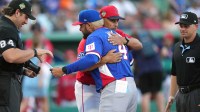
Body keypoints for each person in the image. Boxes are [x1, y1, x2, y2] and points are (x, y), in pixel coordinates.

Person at [51, 9, 138, 112]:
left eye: (81, 25)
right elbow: (130, 61)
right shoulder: (117, 36)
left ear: (88, 25)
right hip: (128, 86)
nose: (79, 29)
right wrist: (105, 60)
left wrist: (64, 70)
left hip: (113, 86)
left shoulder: (94, 36)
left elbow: (90, 60)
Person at [74, 5, 142, 112]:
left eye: (117, 20)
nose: (116, 24)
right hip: (88, 85)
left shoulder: (117, 34)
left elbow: (138, 44)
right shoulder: (87, 40)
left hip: (107, 86)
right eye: (112, 20)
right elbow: (82, 67)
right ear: (102, 20)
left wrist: (125, 40)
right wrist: (105, 60)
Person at [0, 1, 53, 112]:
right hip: (5, 83)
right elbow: (10, 56)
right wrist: (35, 52)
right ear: (17, 12)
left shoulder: (6, 26)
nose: (26, 21)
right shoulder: (6, 28)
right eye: (26, 17)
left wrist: (22, 70)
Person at [165, 12, 200, 112]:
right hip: (180, 96)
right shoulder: (176, 47)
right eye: (181, 25)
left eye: (186, 26)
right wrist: (171, 96)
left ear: (196, 26)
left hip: (196, 94)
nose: (183, 29)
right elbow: (174, 73)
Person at [21, 23, 53, 112]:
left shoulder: (29, 44)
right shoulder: (40, 48)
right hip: (37, 77)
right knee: (44, 101)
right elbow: (41, 65)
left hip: (29, 77)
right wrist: (41, 80)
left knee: (25, 102)